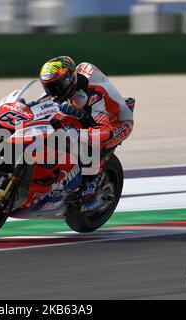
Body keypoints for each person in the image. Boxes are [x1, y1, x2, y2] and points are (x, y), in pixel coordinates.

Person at [39, 56, 134, 210]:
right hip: (87, 112)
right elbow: (44, 102)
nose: (54, 93)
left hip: (116, 123)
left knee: (90, 142)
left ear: (71, 80)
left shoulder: (94, 95)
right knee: (55, 120)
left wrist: (77, 133)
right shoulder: (70, 85)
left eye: (58, 87)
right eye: (49, 88)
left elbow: (105, 130)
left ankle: (91, 186)